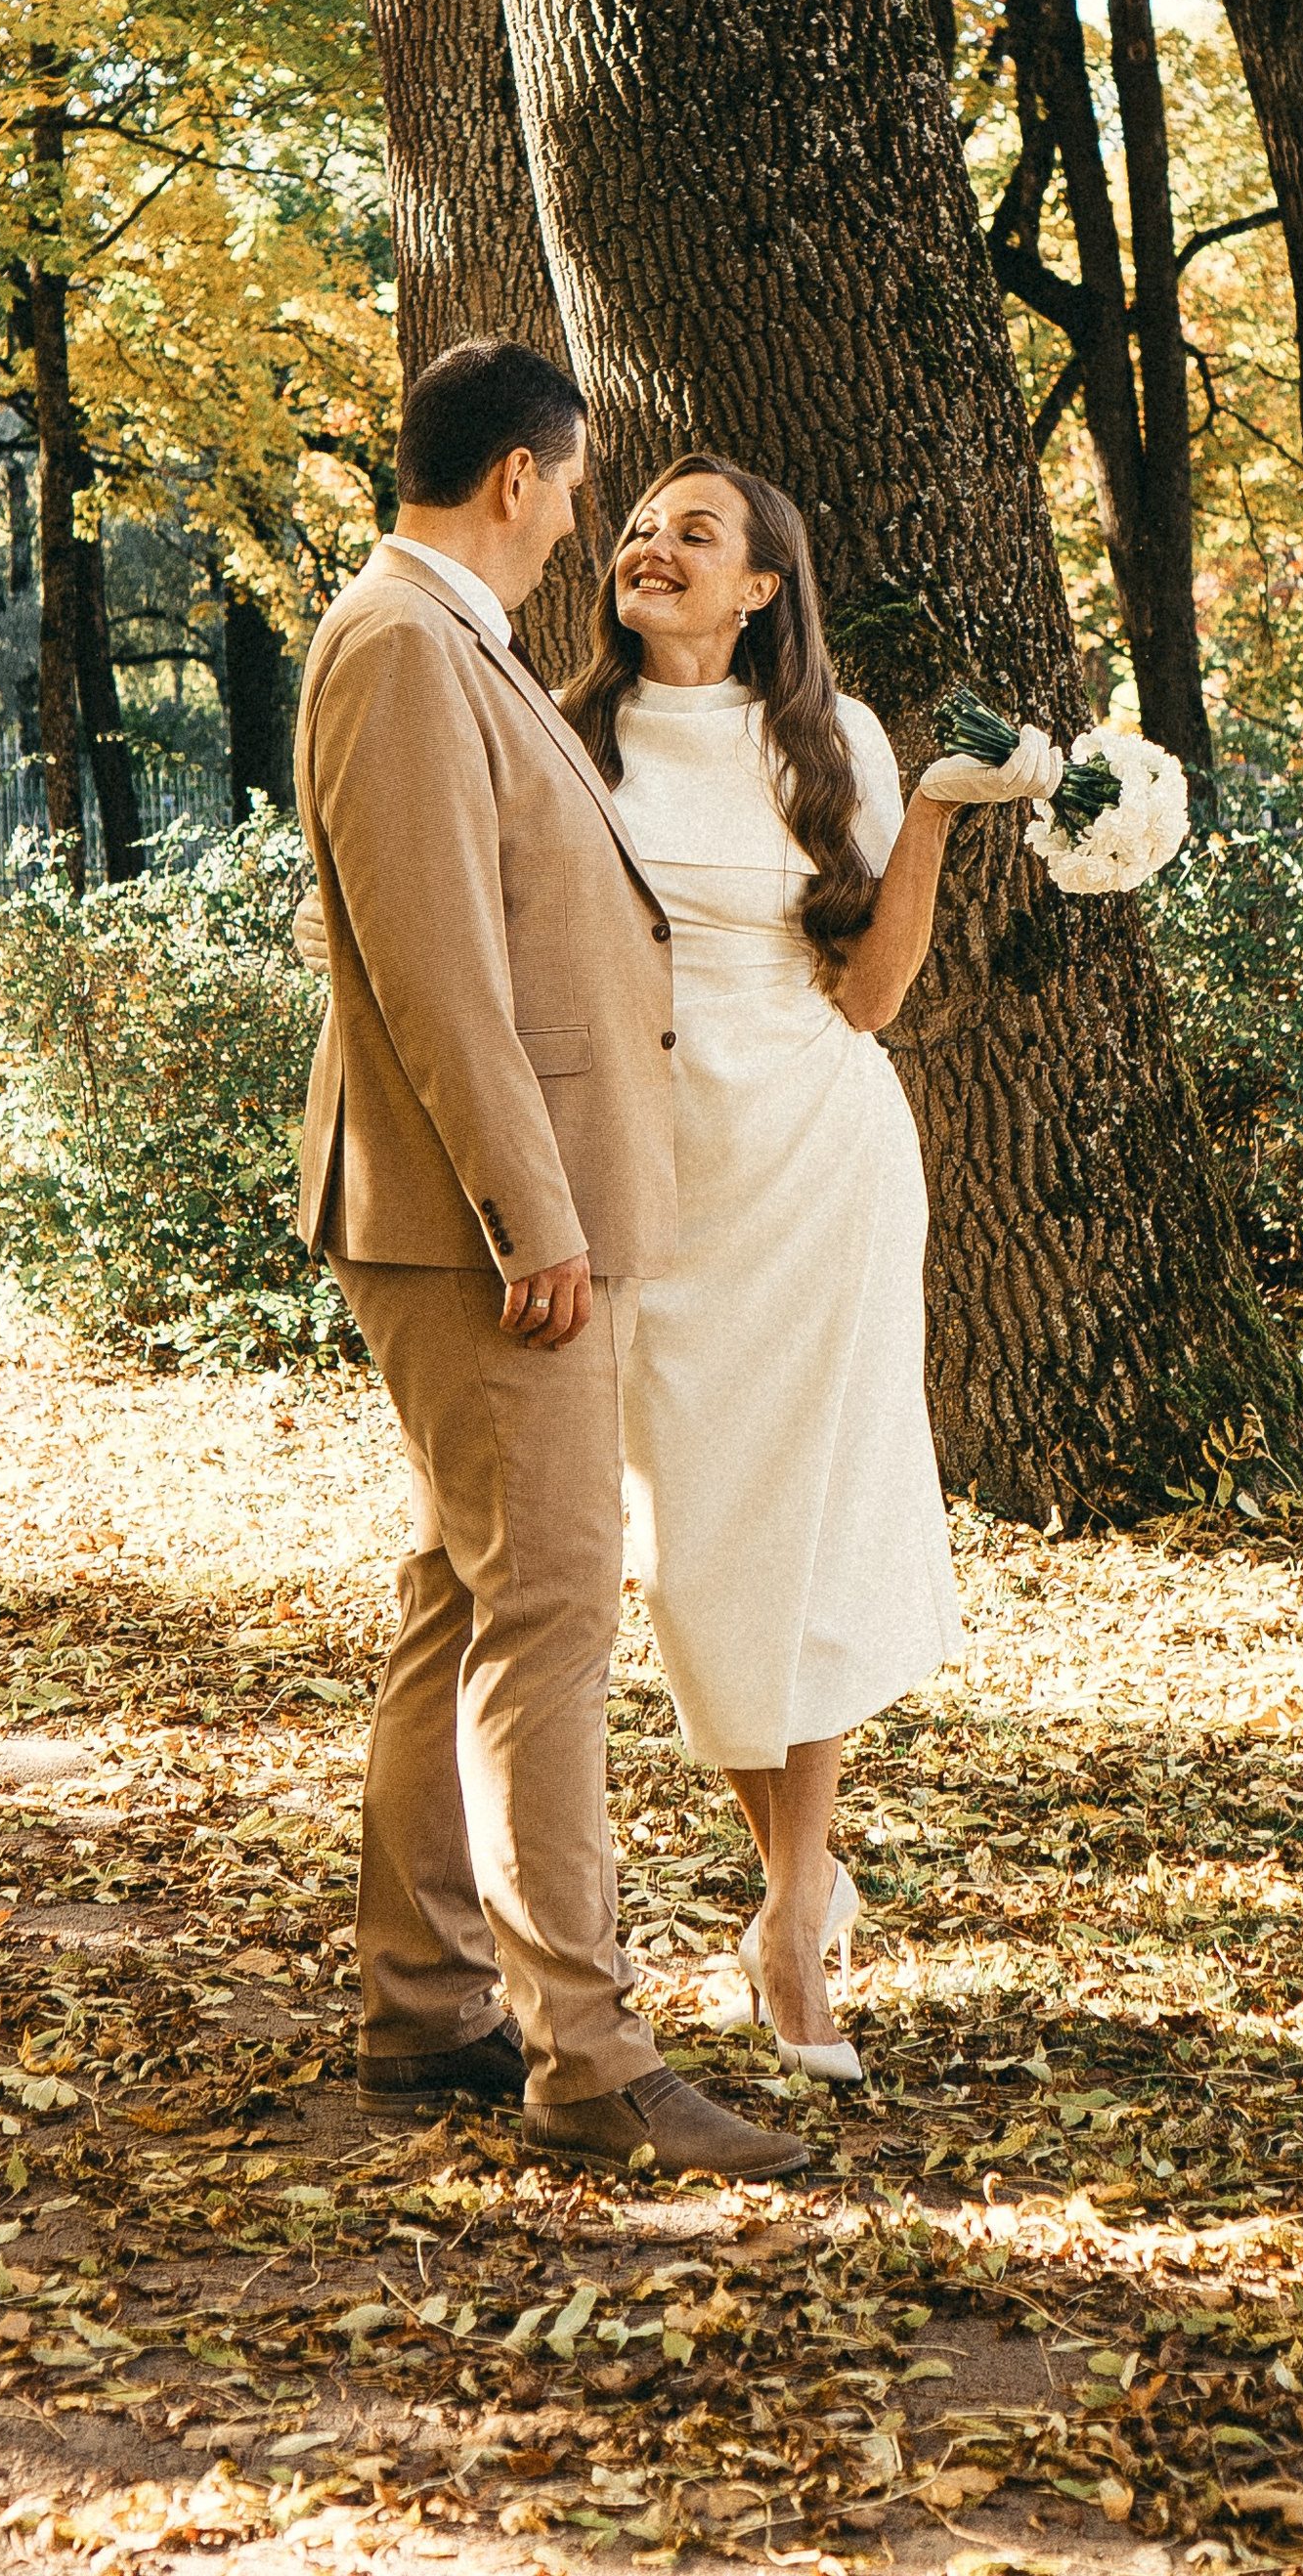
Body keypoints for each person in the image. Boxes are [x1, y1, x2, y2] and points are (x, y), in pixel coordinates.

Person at [292, 342, 808, 2183]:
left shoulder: (449, 644)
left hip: (494, 1219)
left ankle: (425, 1999)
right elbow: (438, 973)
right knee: (554, 1618)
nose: (588, 516)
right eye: (581, 483)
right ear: (519, 476)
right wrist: (536, 1221)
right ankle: (585, 2057)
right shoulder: (404, 649)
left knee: (466, 1593)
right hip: (483, 1233)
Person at [559, 456, 1053, 2079]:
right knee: (694, 1556)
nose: (653, 542)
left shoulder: (827, 741)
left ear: (763, 584)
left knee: (809, 1532)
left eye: (695, 533)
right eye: (640, 524)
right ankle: (803, 1883)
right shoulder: (566, 733)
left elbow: (872, 997)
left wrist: (927, 816)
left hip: (819, 1167)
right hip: (654, 1184)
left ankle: (786, 1926)